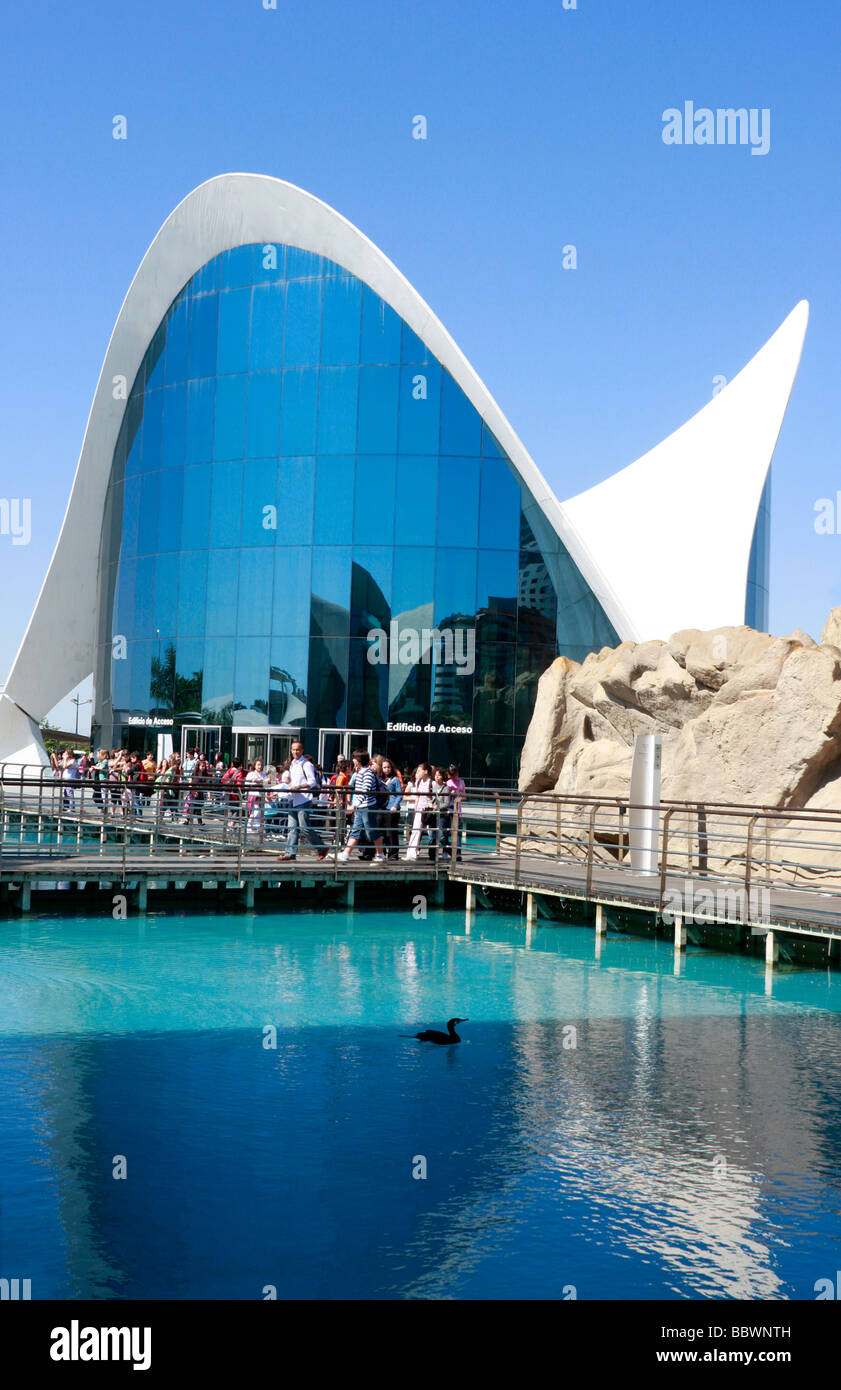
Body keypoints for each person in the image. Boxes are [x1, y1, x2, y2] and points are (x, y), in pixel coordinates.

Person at [282, 741, 328, 861]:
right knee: (292, 828)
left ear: (302, 751)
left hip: (303, 799)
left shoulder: (306, 764)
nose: (295, 752)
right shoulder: (292, 764)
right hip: (293, 798)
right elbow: (290, 778)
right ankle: (290, 853)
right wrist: (288, 782)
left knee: (304, 828)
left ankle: (321, 847)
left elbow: (312, 782)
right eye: (293, 750)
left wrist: (299, 787)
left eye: (297, 750)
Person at [338, 750, 385, 863]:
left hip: (367, 806)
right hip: (362, 806)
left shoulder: (367, 773)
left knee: (371, 831)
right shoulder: (360, 772)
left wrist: (354, 805)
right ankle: (345, 854)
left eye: (354, 758)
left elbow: (366, 790)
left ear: (358, 761)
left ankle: (380, 854)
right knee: (356, 830)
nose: (352, 761)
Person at [404, 763, 435, 860]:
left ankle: (434, 855)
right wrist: (416, 808)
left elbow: (435, 798)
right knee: (415, 831)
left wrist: (431, 806)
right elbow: (417, 796)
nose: (417, 773)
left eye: (419, 771)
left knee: (432, 833)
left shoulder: (432, 783)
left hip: (429, 811)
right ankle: (411, 854)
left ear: (426, 771)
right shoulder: (418, 781)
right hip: (419, 810)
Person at [381, 758, 403, 860]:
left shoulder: (395, 779)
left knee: (392, 832)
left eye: (388, 767)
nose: (387, 769)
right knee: (382, 832)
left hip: (392, 807)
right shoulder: (380, 779)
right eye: (384, 767)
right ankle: (383, 852)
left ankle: (393, 854)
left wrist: (395, 805)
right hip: (383, 807)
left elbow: (399, 794)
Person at [446, 763, 466, 862]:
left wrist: (458, 795)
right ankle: (448, 850)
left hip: (457, 810)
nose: (454, 777)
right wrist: (450, 794)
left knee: (458, 832)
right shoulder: (448, 783)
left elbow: (464, 796)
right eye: (452, 775)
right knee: (448, 831)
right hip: (449, 810)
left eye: (455, 774)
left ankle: (458, 853)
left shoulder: (461, 782)